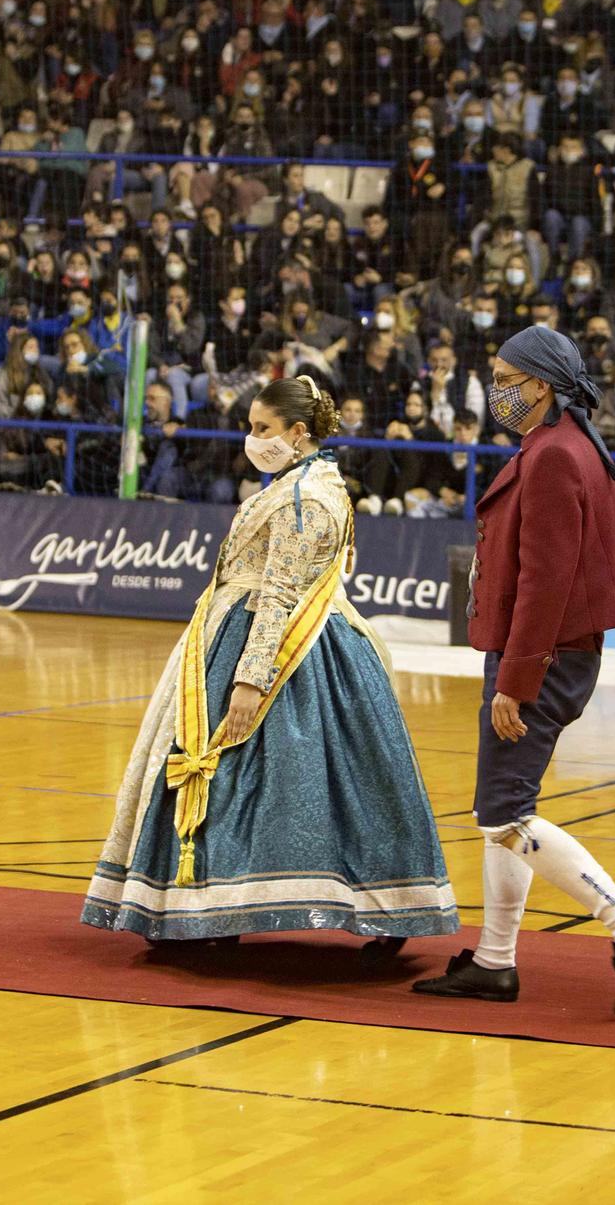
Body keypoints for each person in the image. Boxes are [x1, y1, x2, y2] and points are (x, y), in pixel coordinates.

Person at [83, 375, 458, 946]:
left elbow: (280, 593)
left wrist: (249, 680)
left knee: (242, 771)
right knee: (348, 779)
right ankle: (376, 905)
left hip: (275, 644)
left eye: (263, 429)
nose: (252, 439)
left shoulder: (302, 498)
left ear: (298, 432)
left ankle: (214, 905)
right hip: (307, 637)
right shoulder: (320, 484)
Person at [412, 325, 615, 1015]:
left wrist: (516, 678)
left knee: (502, 813)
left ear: (539, 383)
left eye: (504, 375)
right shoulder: (570, 445)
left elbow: (546, 580)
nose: (495, 388)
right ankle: (495, 961)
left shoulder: (556, 455)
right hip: (552, 651)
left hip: (543, 655)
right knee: (502, 809)